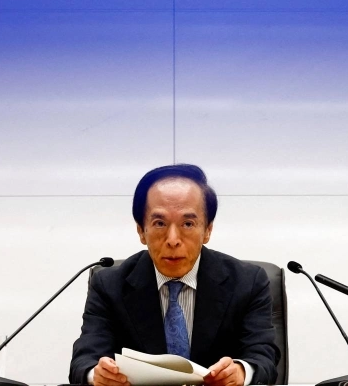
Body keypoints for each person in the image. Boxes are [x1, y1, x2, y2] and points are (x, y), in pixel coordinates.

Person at [69, 164, 279, 386]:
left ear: (207, 230)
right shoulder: (109, 285)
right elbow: (84, 360)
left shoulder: (247, 282)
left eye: (188, 224)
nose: (172, 239)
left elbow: (263, 357)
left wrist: (241, 372)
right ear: (141, 230)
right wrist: (97, 375)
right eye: (159, 223)